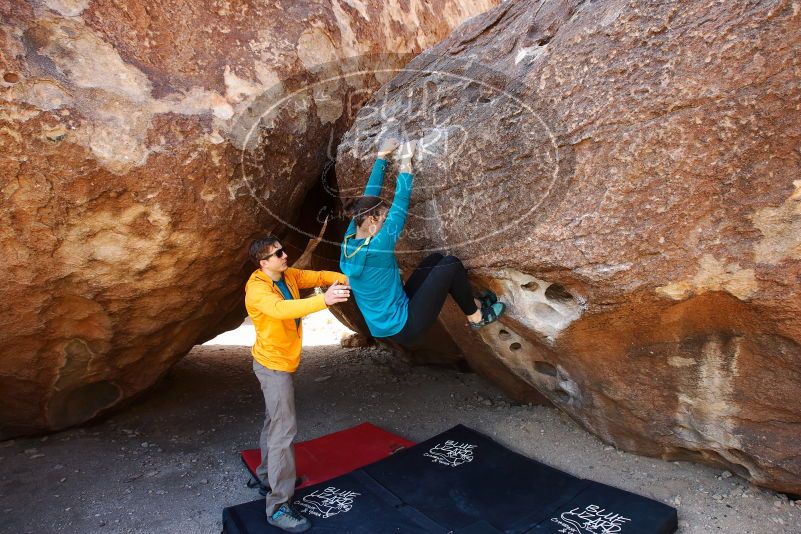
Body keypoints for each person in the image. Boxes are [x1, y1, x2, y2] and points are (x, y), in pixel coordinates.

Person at [339, 137, 505, 349]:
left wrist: (382, 157)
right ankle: (476, 316)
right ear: (372, 221)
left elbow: (368, 198)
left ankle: (476, 303)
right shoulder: (378, 247)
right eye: (382, 217)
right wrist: (406, 160)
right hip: (404, 325)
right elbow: (400, 204)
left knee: (435, 260)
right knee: (450, 264)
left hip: (391, 316)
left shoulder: (350, 238)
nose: (385, 219)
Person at [244, 236, 350, 533]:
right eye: (277, 253)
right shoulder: (257, 289)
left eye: (283, 249)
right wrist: (324, 300)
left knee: (274, 421)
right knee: (284, 431)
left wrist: (343, 277)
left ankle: (266, 475)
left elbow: (316, 275)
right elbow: (280, 310)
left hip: (280, 363)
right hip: (273, 367)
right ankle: (278, 507)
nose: (285, 254)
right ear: (264, 263)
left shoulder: (286, 274)